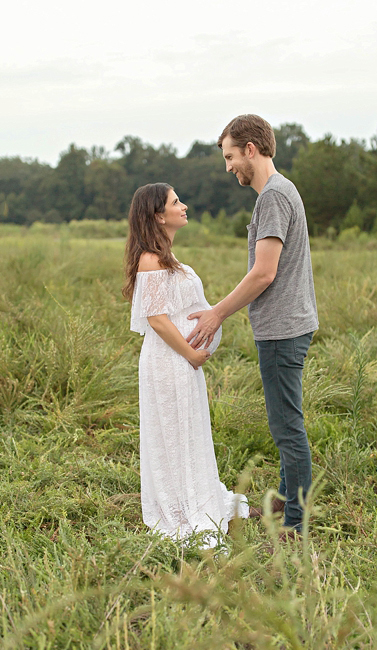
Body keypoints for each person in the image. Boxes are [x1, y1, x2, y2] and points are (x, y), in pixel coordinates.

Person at [185, 114, 319, 537]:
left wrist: (216, 313)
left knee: (286, 427)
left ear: (250, 149)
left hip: (283, 329)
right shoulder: (279, 192)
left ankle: (295, 525)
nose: (228, 168)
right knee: (284, 422)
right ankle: (282, 501)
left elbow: (264, 273)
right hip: (284, 326)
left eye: (229, 157)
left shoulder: (273, 197)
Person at [125, 183, 258, 547]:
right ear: (158, 215)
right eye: (175, 202)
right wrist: (190, 352)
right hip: (169, 361)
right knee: (172, 432)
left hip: (181, 360)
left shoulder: (166, 257)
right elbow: (156, 319)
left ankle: (197, 495)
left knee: (188, 429)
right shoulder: (151, 259)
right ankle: (180, 507)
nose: (184, 206)